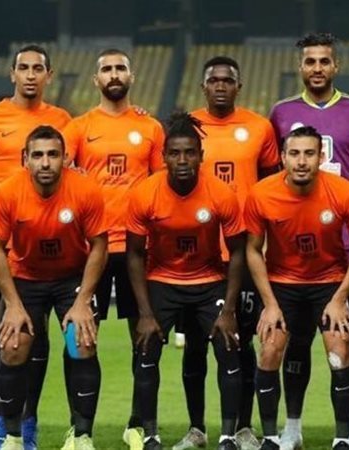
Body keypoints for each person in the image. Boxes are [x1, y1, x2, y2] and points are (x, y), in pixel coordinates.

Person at [0, 44, 71, 450]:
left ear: (48, 75)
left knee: (35, 329)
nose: (30, 74)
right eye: (23, 67)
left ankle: (28, 419)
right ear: (12, 74)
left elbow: (76, 170)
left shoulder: (62, 120)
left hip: (43, 238)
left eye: (38, 68)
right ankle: (0, 418)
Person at [269, 32, 349, 450]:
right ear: (301, 67)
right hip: (297, 249)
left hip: (348, 246)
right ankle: (292, 428)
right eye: (310, 61)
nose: (317, 68)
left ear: (336, 66)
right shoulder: (281, 113)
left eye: (324, 61)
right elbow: (272, 171)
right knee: (295, 342)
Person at [173, 55, 281, 450]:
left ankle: (242, 427)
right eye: (214, 80)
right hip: (198, 256)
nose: (220, 85)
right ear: (203, 86)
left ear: (239, 85)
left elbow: (271, 186)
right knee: (195, 345)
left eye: (228, 80)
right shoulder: (189, 128)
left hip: (244, 251)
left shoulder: (259, 127)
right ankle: (196, 428)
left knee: (242, 342)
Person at [62, 48, 165, 449]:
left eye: (121, 68)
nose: (114, 74)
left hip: (139, 249)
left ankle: (137, 425)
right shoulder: (78, 128)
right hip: (92, 249)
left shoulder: (150, 127)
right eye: (106, 69)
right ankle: (80, 430)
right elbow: (62, 181)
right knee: (80, 338)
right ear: (96, 80)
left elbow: (160, 186)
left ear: (132, 76)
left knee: (145, 336)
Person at [126, 111, 245, 450]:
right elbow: (134, 254)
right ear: (163, 156)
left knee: (228, 348)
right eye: (175, 153)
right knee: (146, 349)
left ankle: (226, 436)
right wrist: (145, 313)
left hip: (209, 281)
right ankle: (150, 435)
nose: (182, 160)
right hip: (162, 281)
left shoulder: (221, 194)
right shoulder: (145, 194)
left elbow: (238, 252)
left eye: (190, 153)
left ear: (201, 156)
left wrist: (229, 310)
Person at [0, 125, 107, 450]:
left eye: (52, 154)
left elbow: (99, 244)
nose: (45, 162)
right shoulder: (8, 193)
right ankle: (13, 437)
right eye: (37, 155)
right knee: (13, 346)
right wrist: (13, 304)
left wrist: (83, 301)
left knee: (82, 343)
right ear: (25, 158)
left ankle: (81, 437)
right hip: (26, 278)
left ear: (65, 158)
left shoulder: (85, 190)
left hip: (72, 279)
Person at [245, 126, 349, 450]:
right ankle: (278, 436)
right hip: (282, 284)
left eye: (309, 153)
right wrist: (270, 304)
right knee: (270, 349)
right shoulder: (261, 194)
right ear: (283, 157)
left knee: (339, 351)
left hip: (329, 283)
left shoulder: (344, 193)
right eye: (294, 154)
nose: (301, 161)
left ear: (321, 157)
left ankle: (343, 439)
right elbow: (253, 250)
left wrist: (340, 298)